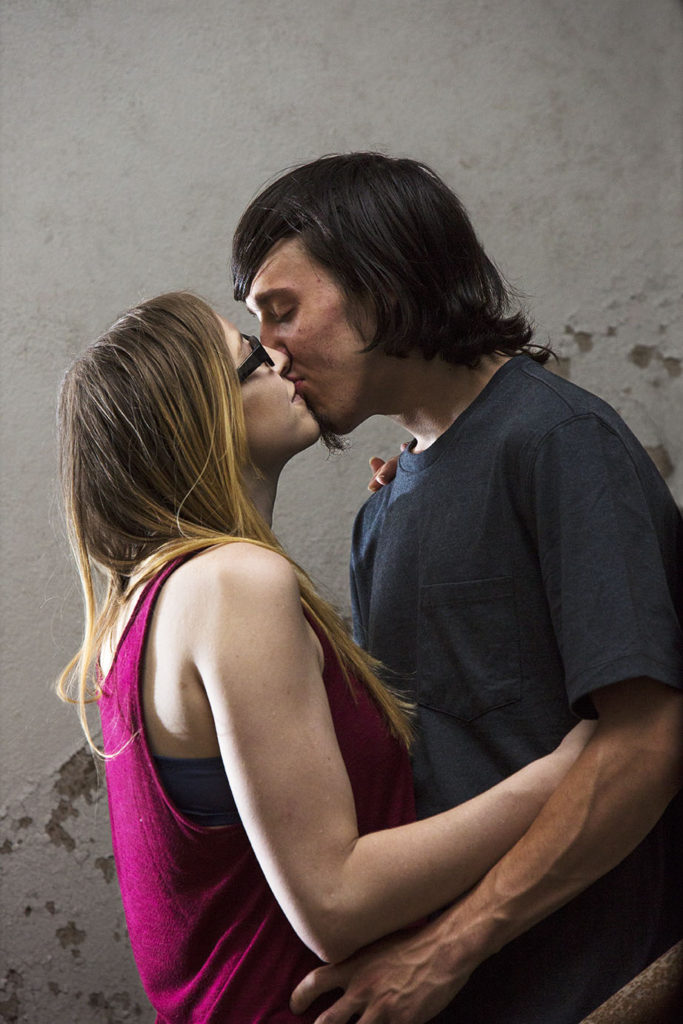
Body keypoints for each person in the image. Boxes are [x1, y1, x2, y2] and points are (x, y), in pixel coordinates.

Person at [231, 153, 683, 1023]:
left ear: (379, 278)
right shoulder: (380, 512)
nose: (272, 352)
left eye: (283, 312)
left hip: (608, 983)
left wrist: (447, 947)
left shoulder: (559, 442)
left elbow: (647, 742)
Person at [56, 292, 590, 1023]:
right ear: (201, 419)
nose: (279, 357)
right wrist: (571, 770)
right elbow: (334, 904)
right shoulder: (230, 583)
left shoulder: (150, 602)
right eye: (250, 355)